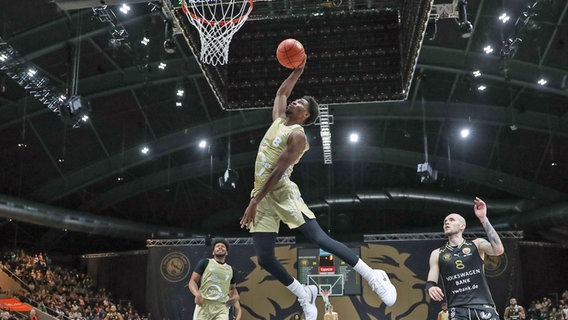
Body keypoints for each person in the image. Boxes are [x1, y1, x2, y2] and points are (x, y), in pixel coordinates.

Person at [239, 56, 396, 320]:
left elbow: (278, 172)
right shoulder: (278, 120)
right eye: (296, 99)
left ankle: (373, 275)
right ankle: (304, 293)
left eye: (300, 103)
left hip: (281, 191)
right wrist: (298, 70)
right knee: (265, 259)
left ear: (306, 115)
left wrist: (254, 201)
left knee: (319, 239)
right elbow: (282, 92)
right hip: (261, 195)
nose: (294, 102)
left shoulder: (297, 135)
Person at [426, 197, 505, 320]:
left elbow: (498, 250)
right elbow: (431, 281)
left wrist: (483, 219)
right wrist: (431, 287)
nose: (446, 222)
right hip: (457, 310)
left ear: (462, 226)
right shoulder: (437, 253)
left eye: (451, 220)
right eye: (445, 221)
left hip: (483, 306)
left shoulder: (477, 244)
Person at [188, 238, 239, 320]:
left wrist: (236, 295)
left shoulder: (232, 270)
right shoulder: (205, 263)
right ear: (213, 252)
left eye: (223, 246)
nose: (220, 247)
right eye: (217, 246)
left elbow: (232, 288)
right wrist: (197, 294)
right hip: (204, 304)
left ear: (227, 252)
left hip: (222, 307)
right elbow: (192, 281)